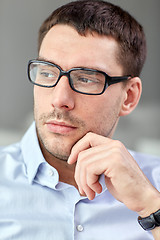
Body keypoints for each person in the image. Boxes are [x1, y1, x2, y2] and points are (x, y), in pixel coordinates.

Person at [0, 0, 160, 239]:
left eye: (86, 78)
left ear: (129, 97)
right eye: (47, 72)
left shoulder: (154, 186)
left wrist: (151, 207)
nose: (59, 99)